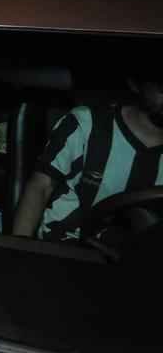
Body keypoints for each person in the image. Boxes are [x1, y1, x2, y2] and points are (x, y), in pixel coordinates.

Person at [11, 71, 163, 242]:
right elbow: (41, 186)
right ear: (136, 84)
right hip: (62, 246)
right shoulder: (86, 124)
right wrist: (19, 249)